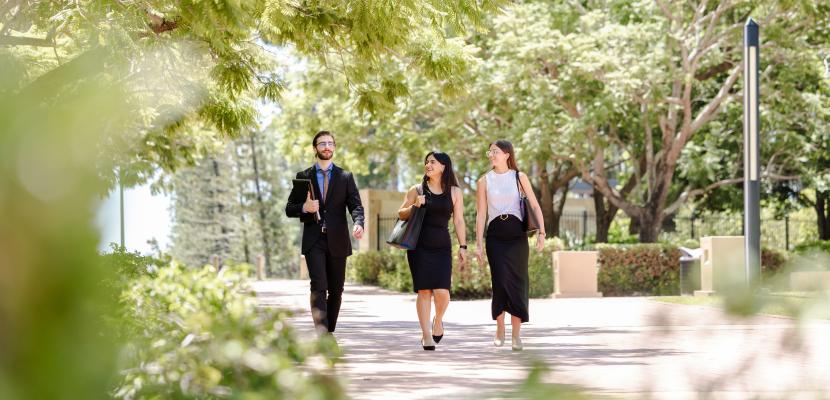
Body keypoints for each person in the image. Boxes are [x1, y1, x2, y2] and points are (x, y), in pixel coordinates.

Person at [285, 130, 365, 334]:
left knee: (336, 290)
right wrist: (305, 208)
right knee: (319, 286)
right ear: (315, 149)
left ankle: (329, 331)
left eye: (330, 143)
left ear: (334, 148)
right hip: (314, 241)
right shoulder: (304, 177)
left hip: (338, 240)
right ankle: (322, 333)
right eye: (322, 144)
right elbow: (289, 208)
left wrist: (358, 222)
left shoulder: (345, 177)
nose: (327, 147)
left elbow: (355, 205)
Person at [474, 140, 545, 351]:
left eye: (495, 151)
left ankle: (516, 335)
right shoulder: (484, 181)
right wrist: (478, 243)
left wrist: (542, 232)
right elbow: (480, 214)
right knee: (500, 281)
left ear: (507, 154)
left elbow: (534, 204)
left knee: (518, 282)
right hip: (495, 237)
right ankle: (499, 329)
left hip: (517, 237)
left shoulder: (519, 177)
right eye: (490, 152)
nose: (492, 155)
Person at [397, 151, 467, 350]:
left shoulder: (454, 192)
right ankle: (426, 334)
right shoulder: (416, 190)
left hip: (442, 246)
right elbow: (400, 214)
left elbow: (459, 220)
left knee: (443, 292)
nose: (428, 165)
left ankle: (438, 320)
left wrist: (463, 246)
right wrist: (414, 206)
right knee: (424, 291)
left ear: (444, 166)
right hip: (419, 246)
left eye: (433, 162)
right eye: (426, 162)